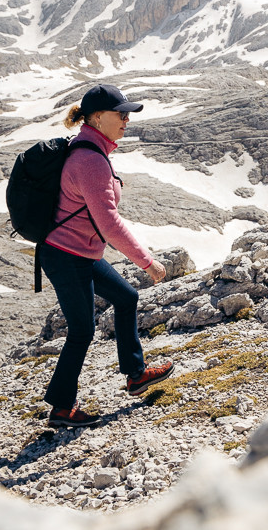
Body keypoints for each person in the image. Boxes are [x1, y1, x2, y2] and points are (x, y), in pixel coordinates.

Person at [41, 83, 173, 427]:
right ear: (98, 118)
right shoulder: (90, 160)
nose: (127, 120)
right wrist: (147, 262)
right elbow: (109, 223)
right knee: (82, 330)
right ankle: (61, 408)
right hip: (65, 255)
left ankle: (136, 375)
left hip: (80, 252)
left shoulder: (90, 149)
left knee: (126, 297)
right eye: (121, 114)